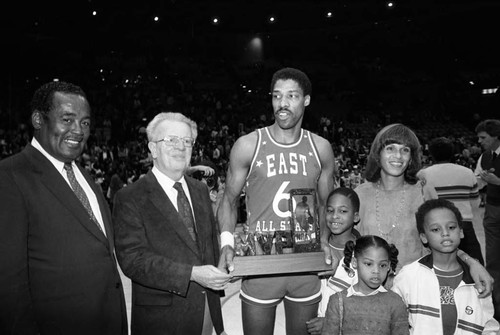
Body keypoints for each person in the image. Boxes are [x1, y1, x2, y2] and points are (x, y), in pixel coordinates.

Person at [0, 81, 127, 334]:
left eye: (85, 123)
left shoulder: (82, 174)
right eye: (67, 119)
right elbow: (8, 286)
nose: (78, 130)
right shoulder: (10, 177)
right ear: (38, 119)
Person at [217, 67, 336, 335]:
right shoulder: (249, 144)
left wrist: (326, 242)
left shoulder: (321, 148)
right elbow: (228, 200)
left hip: (304, 263)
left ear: (306, 100)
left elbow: (324, 204)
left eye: (292, 96)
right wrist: (226, 244)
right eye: (277, 96)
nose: (282, 104)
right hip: (261, 262)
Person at [113, 112, 232, 335]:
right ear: (153, 149)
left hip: (206, 313)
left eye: (187, 141)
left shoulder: (200, 191)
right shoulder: (130, 197)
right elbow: (132, 260)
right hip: (162, 320)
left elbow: (207, 247)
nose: (180, 147)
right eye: (171, 140)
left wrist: (223, 262)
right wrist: (192, 274)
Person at [354, 123, 492, 294]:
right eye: (390, 148)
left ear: (411, 157)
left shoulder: (423, 191)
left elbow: (443, 238)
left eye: (405, 150)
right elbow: (348, 245)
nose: (398, 155)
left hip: (416, 290)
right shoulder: (360, 194)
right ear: (377, 154)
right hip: (369, 293)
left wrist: (471, 263)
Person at [392, 199, 499, 334]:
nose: (445, 233)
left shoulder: (477, 280)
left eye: (451, 227)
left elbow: (489, 326)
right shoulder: (409, 276)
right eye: (436, 229)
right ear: (424, 237)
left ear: (461, 232)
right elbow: (395, 322)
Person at [321, 235, 409, 335]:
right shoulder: (338, 301)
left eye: (382, 265)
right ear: (355, 262)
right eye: (368, 264)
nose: (376, 271)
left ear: (389, 266)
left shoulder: (395, 302)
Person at [417, 136, 484, 264]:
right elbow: (475, 201)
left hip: (436, 226)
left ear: (431, 154)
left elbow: (421, 203)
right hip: (465, 225)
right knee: (473, 265)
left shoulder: (423, 175)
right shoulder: (467, 172)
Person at [306, 187, 361, 335]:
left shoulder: (364, 254)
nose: (335, 216)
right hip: (314, 324)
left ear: (355, 217)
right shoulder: (315, 248)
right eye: (330, 210)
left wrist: (332, 321)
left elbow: (367, 301)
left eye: (343, 211)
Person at [474, 119, 500, 321]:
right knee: (492, 258)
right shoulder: (485, 156)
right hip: (491, 209)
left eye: (483, 137)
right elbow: (477, 182)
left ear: (495, 136)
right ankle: (496, 302)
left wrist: (497, 181)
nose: (479, 141)